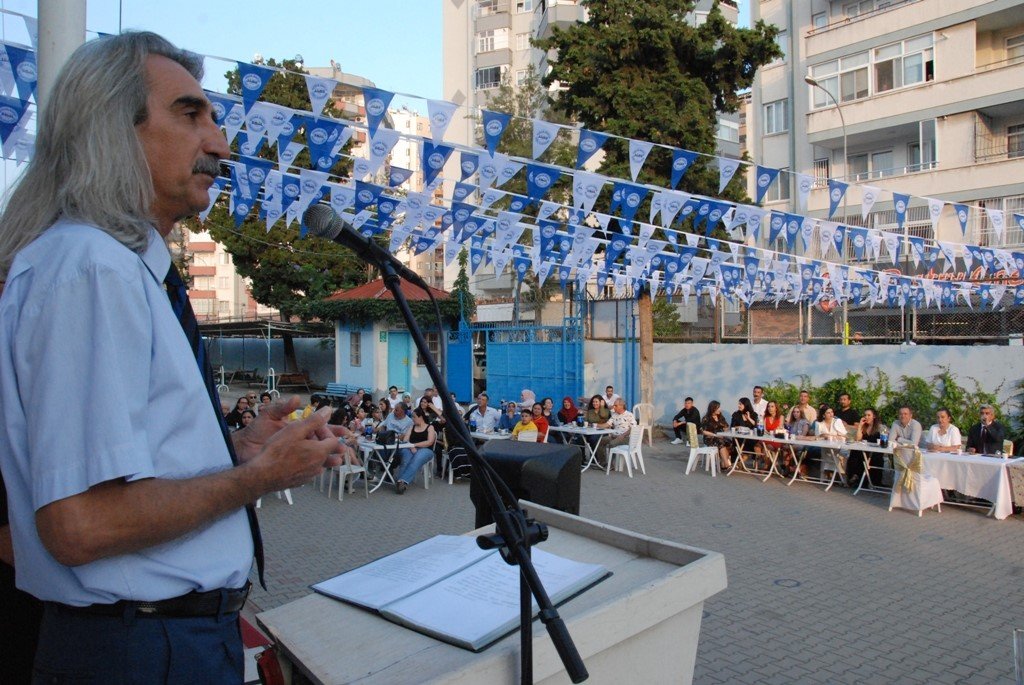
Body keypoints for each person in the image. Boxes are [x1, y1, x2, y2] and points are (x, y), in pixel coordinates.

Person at [0, 32, 345, 682]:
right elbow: (80, 523)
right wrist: (258, 476)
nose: (219, 144)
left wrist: (236, 449)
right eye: (191, 115)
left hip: (160, 640)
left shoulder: (122, 268)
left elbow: (127, 469)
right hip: (139, 649)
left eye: (214, 118)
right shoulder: (91, 266)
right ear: (113, 128)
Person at [394, 409, 436, 495]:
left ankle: (402, 481)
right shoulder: (412, 427)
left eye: (414, 417)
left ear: (420, 417)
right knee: (406, 458)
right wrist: (410, 446)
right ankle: (400, 483)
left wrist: (414, 445)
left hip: (426, 449)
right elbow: (405, 440)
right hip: (410, 447)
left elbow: (430, 442)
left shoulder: (430, 427)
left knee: (417, 458)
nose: (412, 419)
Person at [846, 408, 883, 488]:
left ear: (874, 416)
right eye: (865, 415)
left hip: (875, 451)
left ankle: (865, 479)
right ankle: (855, 476)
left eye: (869, 415)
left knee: (873, 457)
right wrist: (860, 426)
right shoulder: (864, 427)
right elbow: (858, 439)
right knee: (854, 452)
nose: (866, 417)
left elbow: (882, 441)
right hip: (864, 450)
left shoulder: (879, 428)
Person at [597, 398, 636, 465]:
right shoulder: (614, 415)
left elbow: (633, 428)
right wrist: (596, 425)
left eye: (615, 405)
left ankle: (611, 464)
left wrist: (623, 435)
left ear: (621, 406)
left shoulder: (629, 415)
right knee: (601, 441)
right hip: (614, 436)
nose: (613, 407)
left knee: (612, 444)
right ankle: (603, 462)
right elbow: (607, 424)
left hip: (625, 437)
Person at [700, 401, 732, 470]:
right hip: (710, 438)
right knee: (720, 442)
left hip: (720, 437)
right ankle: (727, 464)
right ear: (713, 408)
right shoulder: (706, 418)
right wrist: (715, 435)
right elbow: (704, 431)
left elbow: (726, 426)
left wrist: (725, 429)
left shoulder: (720, 417)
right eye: (718, 408)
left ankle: (723, 464)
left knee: (730, 443)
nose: (720, 409)